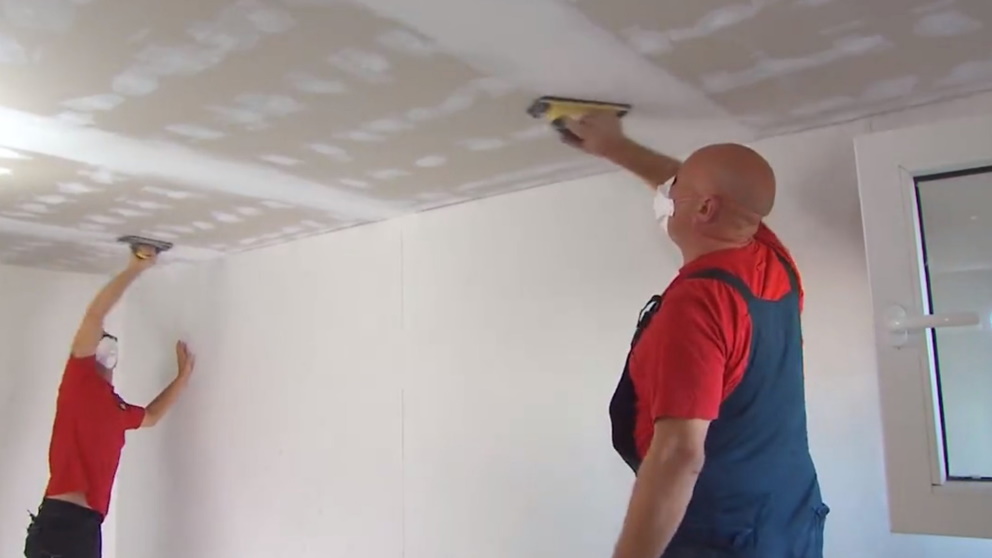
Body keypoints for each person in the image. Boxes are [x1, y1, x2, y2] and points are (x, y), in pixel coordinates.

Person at [562, 113, 828, 558]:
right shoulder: (773, 258)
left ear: (705, 210)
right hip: (790, 518)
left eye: (676, 189)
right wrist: (614, 146)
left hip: (724, 536)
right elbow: (720, 192)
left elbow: (678, 456)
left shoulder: (697, 304)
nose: (666, 193)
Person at [24, 247, 196, 558]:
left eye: (112, 351)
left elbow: (152, 416)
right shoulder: (78, 383)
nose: (109, 355)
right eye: (105, 346)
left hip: (85, 527)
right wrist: (135, 268)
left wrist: (181, 379)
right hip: (64, 524)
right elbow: (95, 315)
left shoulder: (119, 410)